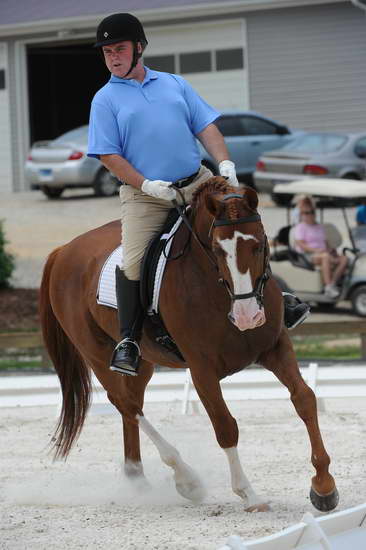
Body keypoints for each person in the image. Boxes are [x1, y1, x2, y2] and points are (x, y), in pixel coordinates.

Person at [88, 12, 309, 376]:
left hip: (198, 182)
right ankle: (128, 340)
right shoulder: (105, 99)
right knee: (132, 261)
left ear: (139, 48)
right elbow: (108, 155)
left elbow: (206, 126)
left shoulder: (174, 84)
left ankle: (279, 300)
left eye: (120, 49)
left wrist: (225, 165)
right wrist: (145, 184)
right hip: (145, 194)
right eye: (107, 51)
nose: (113, 56)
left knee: (242, 227)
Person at [294, 205, 348, 298]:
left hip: (323, 253)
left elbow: (325, 242)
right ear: (302, 215)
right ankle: (328, 288)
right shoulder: (301, 227)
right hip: (308, 255)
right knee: (326, 257)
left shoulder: (319, 226)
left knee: (344, 259)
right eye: (306, 213)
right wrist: (317, 251)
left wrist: (331, 250)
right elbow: (301, 244)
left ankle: (332, 284)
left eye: (312, 212)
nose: (309, 215)